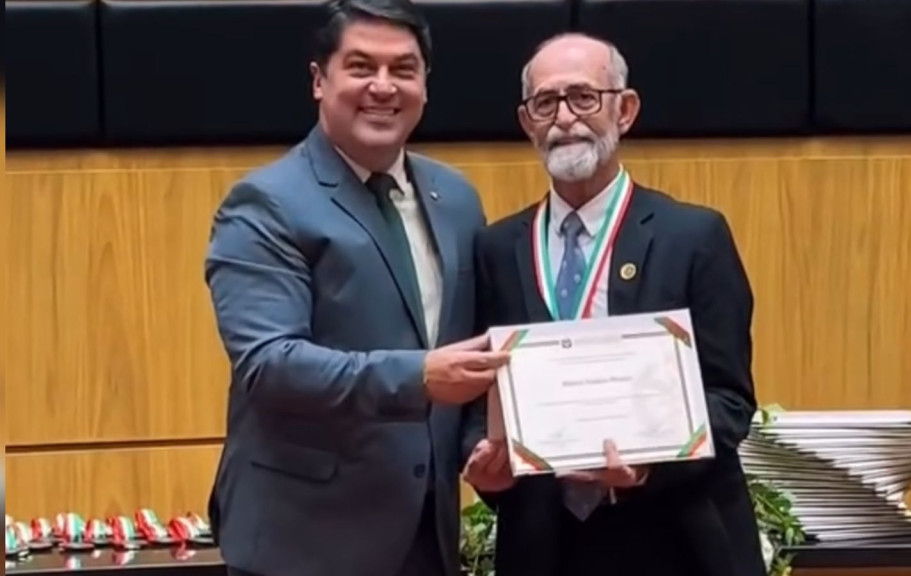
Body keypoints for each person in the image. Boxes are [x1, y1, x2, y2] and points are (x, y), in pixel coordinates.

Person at [203, 1, 508, 576]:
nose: (383, 87)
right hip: (304, 540)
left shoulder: (457, 198)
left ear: (425, 84)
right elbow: (270, 364)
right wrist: (417, 377)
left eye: (404, 69)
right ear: (320, 80)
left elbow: (466, 350)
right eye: (362, 66)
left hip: (426, 532)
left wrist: (478, 446)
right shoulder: (266, 203)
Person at [462, 33, 766, 576]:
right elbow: (476, 397)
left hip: (675, 541)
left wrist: (651, 464)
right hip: (542, 545)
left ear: (624, 110)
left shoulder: (693, 236)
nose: (565, 118)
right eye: (546, 102)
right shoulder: (496, 247)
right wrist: (484, 462)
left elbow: (730, 400)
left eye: (583, 97)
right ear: (527, 121)